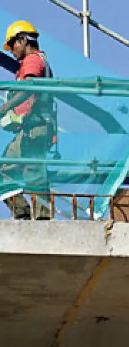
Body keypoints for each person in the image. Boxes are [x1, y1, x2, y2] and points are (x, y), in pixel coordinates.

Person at [0, 20, 55, 220]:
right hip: (31, 126)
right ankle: (24, 212)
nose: (12, 51)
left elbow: (28, 87)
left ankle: (41, 217)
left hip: (36, 126)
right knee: (7, 169)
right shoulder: (34, 62)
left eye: (13, 44)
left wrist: (4, 108)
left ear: (23, 40)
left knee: (33, 171)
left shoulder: (32, 60)